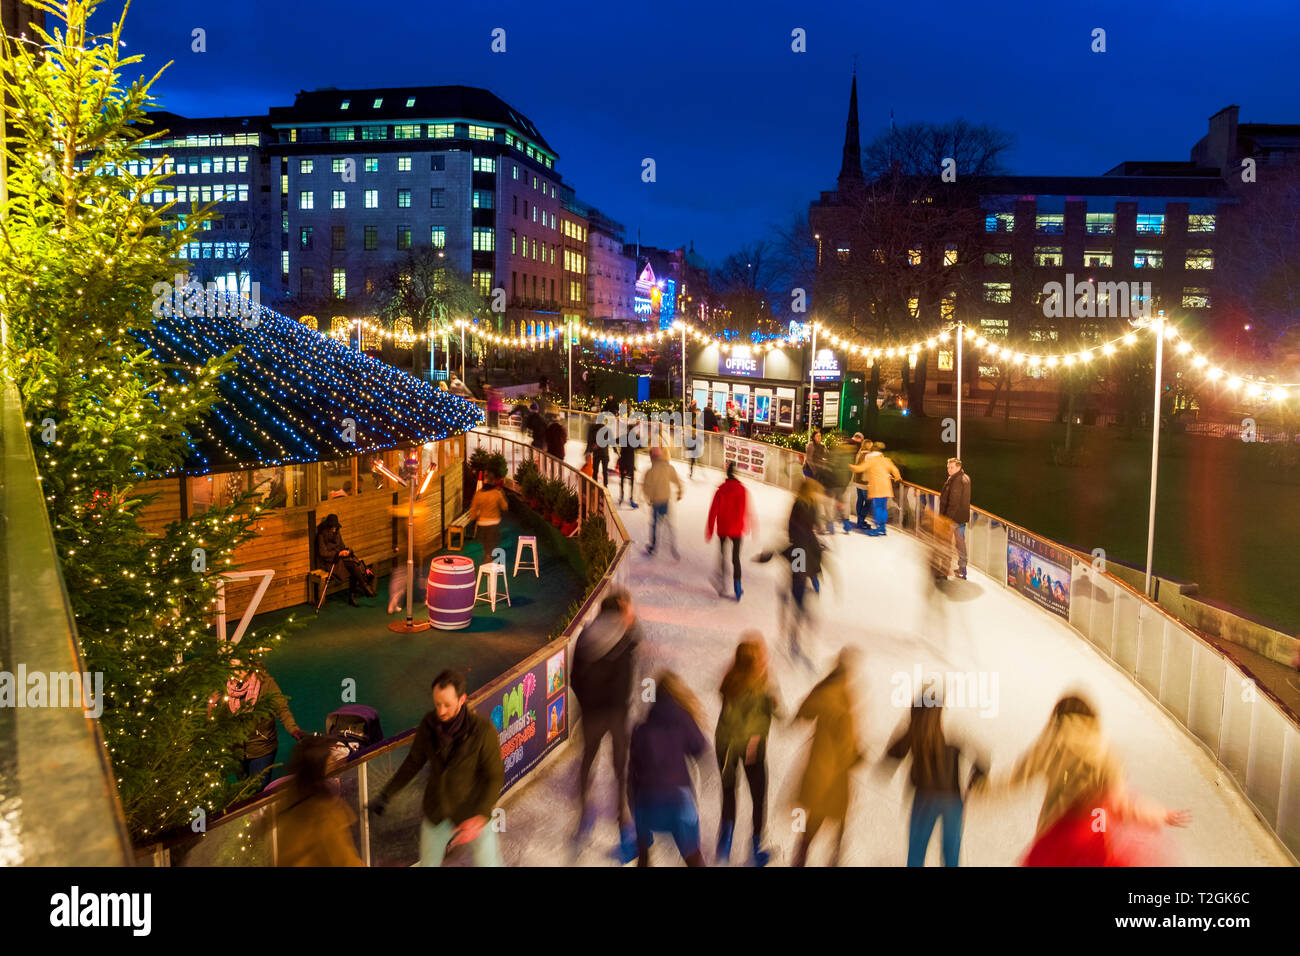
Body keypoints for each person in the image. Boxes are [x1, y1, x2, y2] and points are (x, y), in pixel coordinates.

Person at [976, 694, 1190, 866]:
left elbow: (1016, 778)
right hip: (1091, 842)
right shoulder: (1104, 751)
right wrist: (1158, 814)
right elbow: (1120, 802)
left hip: (1055, 838)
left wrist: (979, 789)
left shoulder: (1050, 745)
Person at [370, 669, 506, 867]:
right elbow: (413, 762)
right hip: (437, 811)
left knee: (490, 864)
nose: (441, 711)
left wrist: (480, 815)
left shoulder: (483, 731)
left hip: (473, 810)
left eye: (447, 705)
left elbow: (494, 775)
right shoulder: (428, 725)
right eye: (437, 704)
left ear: (462, 700)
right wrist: (386, 794)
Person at [571, 588, 641, 863]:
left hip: (592, 714)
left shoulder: (587, 635)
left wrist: (588, 703)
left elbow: (574, 677)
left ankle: (584, 814)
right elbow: (628, 679)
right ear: (621, 612)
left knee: (588, 760)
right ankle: (623, 820)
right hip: (616, 714)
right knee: (621, 769)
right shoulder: (626, 639)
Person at [882, 697, 988, 867]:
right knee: (951, 854)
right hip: (952, 801)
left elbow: (893, 754)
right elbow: (983, 761)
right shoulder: (952, 729)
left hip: (925, 798)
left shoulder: (917, 728)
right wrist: (974, 782)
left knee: (917, 851)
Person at [628, 672, 710, 867]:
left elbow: (632, 776)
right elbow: (699, 748)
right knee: (693, 855)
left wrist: (636, 811)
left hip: (647, 802)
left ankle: (644, 856)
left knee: (644, 856)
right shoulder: (682, 720)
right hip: (678, 801)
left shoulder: (641, 729)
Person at [792, 648, 865, 867]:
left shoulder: (829, 688)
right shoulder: (839, 693)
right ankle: (824, 860)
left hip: (824, 767)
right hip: (833, 771)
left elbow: (803, 714)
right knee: (828, 818)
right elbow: (844, 735)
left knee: (825, 819)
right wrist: (855, 756)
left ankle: (804, 860)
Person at [715, 635, 780, 866]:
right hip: (745, 748)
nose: (767, 657)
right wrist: (754, 737)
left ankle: (726, 844)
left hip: (724, 746)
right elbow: (773, 713)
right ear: (754, 661)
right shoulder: (762, 685)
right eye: (763, 654)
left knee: (730, 793)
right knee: (757, 794)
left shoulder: (731, 678)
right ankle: (751, 844)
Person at [755, 479, 824, 666]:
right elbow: (815, 525)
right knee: (801, 578)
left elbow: (791, 527)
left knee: (798, 583)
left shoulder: (798, 503)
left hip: (800, 550)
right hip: (808, 549)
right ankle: (803, 596)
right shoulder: (812, 504)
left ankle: (797, 618)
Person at [214, 657, 307, 791]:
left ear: (248, 666)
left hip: (262, 747)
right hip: (236, 750)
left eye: (238, 668)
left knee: (258, 789)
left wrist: (293, 729)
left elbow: (281, 708)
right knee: (244, 789)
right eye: (231, 668)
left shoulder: (265, 683)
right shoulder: (226, 687)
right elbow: (219, 719)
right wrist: (212, 707)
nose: (234, 672)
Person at [276, 735, 364, 866]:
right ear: (319, 766)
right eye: (330, 759)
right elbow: (345, 860)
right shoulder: (324, 813)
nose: (335, 761)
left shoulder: (291, 800)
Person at [706, 461, 756, 600]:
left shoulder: (721, 490)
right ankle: (738, 587)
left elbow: (713, 511)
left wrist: (710, 530)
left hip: (723, 528)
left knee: (723, 555)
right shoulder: (742, 490)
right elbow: (747, 510)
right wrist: (749, 526)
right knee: (736, 559)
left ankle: (722, 583)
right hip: (736, 529)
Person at [315, 513, 375, 606]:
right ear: (328, 527)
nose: (334, 529)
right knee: (352, 567)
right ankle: (363, 586)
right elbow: (323, 553)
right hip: (331, 562)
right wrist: (338, 554)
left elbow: (342, 545)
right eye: (332, 527)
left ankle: (354, 594)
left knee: (353, 566)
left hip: (341, 559)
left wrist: (345, 551)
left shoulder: (337, 533)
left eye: (335, 527)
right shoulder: (321, 536)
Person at [851, 442, 901, 537]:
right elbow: (894, 470)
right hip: (886, 487)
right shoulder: (886, 460)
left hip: (877, 488)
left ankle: (878, 528)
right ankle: (882, 528)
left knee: (877, 508)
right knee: (883, 508)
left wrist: (850, 466)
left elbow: (860, 468)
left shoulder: (872, 460)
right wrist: (897, 477)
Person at [642, 446, 683, 558]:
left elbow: (646, 487)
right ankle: (673, 547)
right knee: (668, 524)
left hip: (655, 502)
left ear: (652, 457)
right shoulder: (668, 467)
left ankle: (653, 547)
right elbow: (677, 480)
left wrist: (649, 497)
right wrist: (680, 491)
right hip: (665, 500)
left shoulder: (650, 471)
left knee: (655, 525)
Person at [939, 457, 971, 579]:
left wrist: (947, 520)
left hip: (953, 519)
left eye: (951, 467)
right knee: (960, 543)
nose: (949, 470)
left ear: (958, 467)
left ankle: (944, 569)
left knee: (946, 543)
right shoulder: (965, 478)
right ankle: (962, 569)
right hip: (961, 518)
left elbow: (954, 502)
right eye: (948, 467)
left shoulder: (956, 481)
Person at [466, 474, 508, 566]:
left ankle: (488, 555)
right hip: (494, 521)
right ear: (493, 482)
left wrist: (473, 518)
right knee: (492, 541)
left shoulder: (478, 494)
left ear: (484, 482)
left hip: (482, 522)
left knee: (486, 542)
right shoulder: (497, 493)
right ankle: (490, 556)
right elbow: (505, 506)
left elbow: (473, 509)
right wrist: (502, 495)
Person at [850, 436, 873, 530]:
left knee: (860, 500)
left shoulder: (859, 453)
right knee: (868, 503)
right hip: (865, 482)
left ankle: (860, 521)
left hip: (857, 481)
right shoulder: (869, 455)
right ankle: (861, 520)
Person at [617, 418, 638, 509]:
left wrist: (618, 452)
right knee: (631, 480)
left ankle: (622, 496)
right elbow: (641, 446)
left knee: (622, 479)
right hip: (630, 462)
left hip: (623, 461)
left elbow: (614, 441)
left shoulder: (623, 437)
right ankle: (631, 498)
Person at [586, 415, 610, 487]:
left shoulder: (593, 429)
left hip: (597, 453)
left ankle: (594, 484)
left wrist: (589, 450)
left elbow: (590, 441)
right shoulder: (605, 429)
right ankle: (605, 485)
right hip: (604, 454)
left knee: (595, 471)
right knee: (604, 471)